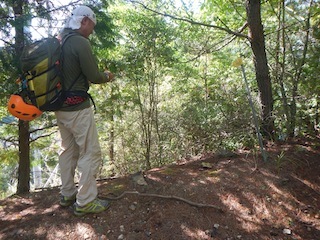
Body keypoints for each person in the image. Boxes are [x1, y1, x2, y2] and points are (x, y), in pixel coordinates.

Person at [55, 5, 114, 216]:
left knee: (68, 150)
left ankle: (68, 193)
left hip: (60, 107)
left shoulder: (60, 40)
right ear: (85, 21)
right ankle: (86, 201)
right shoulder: (80, 42)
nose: (92, 30)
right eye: (92, 26)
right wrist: (107, 76)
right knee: (90, 152)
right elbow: (93, 75)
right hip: (78, 108)